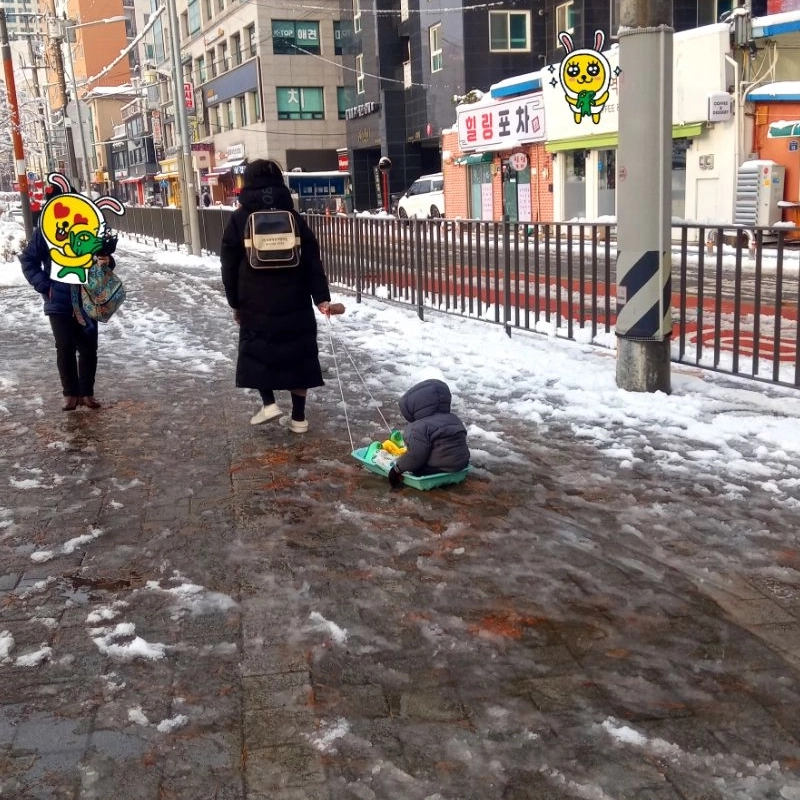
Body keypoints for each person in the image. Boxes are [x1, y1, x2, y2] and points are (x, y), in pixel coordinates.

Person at [220, 158, 332, 433]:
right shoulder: (293, 218)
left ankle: (269, 403)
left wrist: (235, 302)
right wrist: (321, 298)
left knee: (258, 352)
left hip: (254, 300)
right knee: (299, 356)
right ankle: (298, 418)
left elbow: (229, 264)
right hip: (294, 299)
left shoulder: (240, 218)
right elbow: (312, 259)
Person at [19, 228, 118, 411]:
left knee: (89, 348)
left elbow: (102, 260)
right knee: (64, 347)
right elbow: (28, 260)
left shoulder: (90, 224)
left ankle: (87, 393)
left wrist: (107, 261)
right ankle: (71, 395)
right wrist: (45, 286)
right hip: (58, 300)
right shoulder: (45, 229)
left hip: (87, 298)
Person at [387, 379, 470, 487]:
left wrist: (397, 469)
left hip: (436, 470)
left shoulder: (417, 428)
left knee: (413, 465)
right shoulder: (454, 419)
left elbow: (415, 456)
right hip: (461, 465)